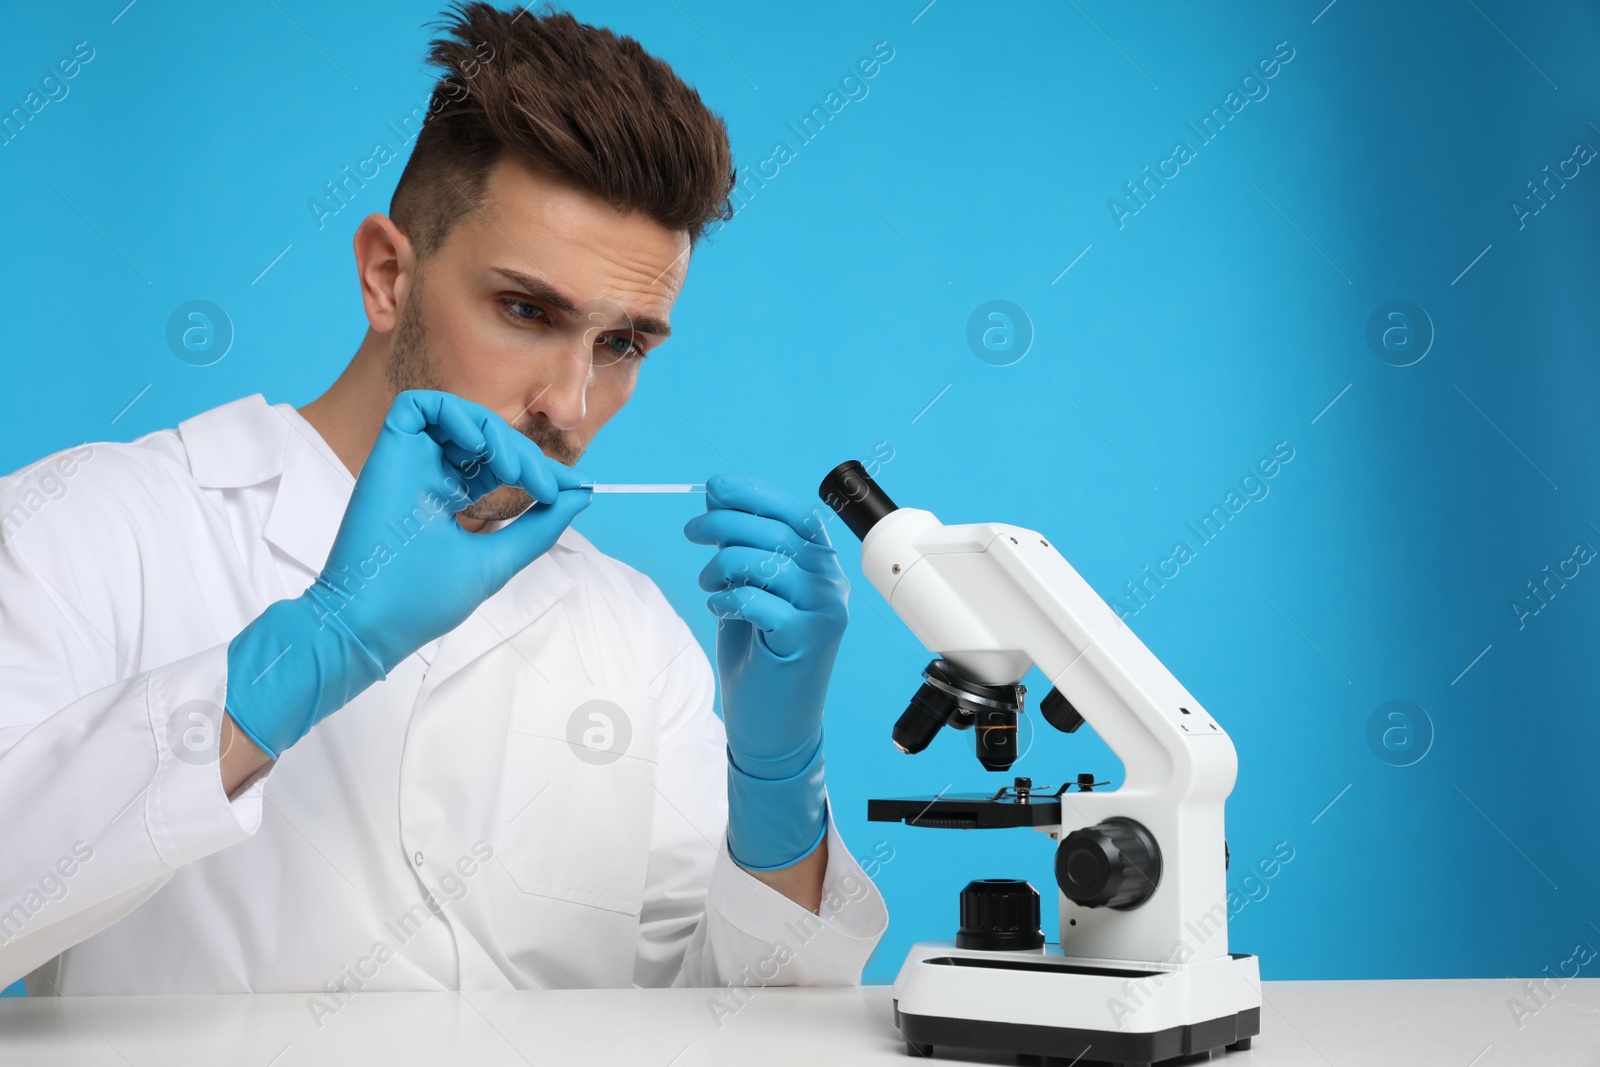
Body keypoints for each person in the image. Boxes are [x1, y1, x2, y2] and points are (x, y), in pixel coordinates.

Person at [0, 3, 886, 998]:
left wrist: (779, 792)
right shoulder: (89, 528)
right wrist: (289, 665)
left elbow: (727, 1026)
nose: (570, 400)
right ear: (388, 276)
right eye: (526, 310)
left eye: (624, 342)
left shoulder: (633, 633)